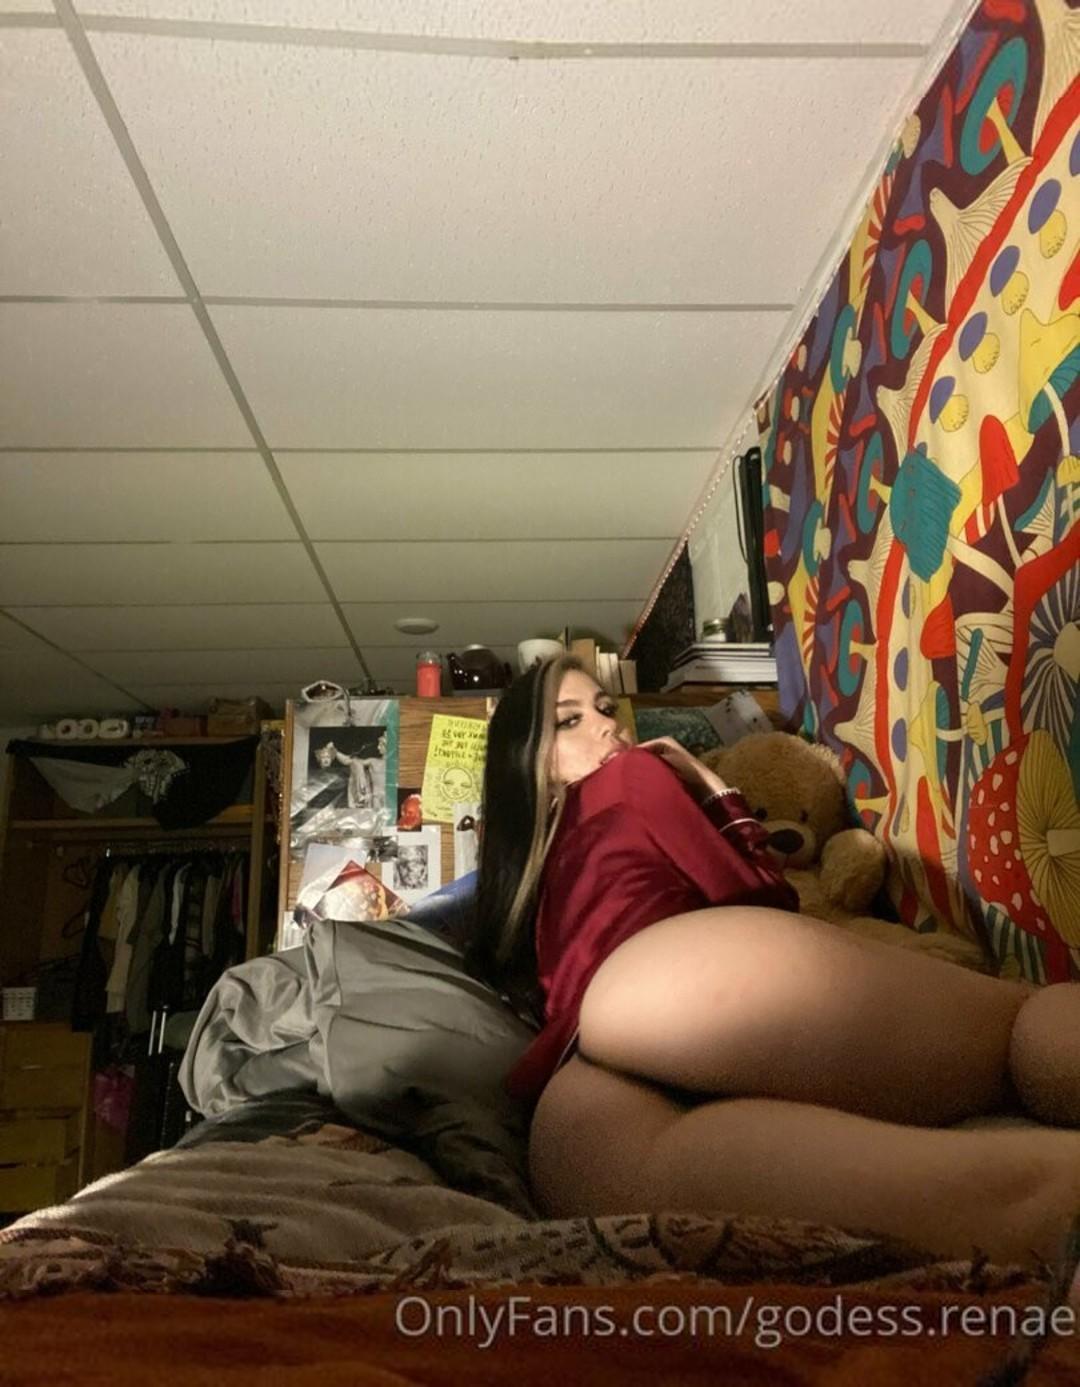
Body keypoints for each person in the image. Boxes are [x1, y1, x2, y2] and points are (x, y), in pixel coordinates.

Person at [465, 654, 1080, 1274]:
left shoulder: (520, 885)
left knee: (1008, 1203)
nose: (608, 726)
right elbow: (761, 894)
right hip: (666, 975)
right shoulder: (633, 774)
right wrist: (709, 785)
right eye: (569, 720)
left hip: (577, 1100)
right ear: (529, 760)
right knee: (1017, 1038)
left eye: (605, 709)